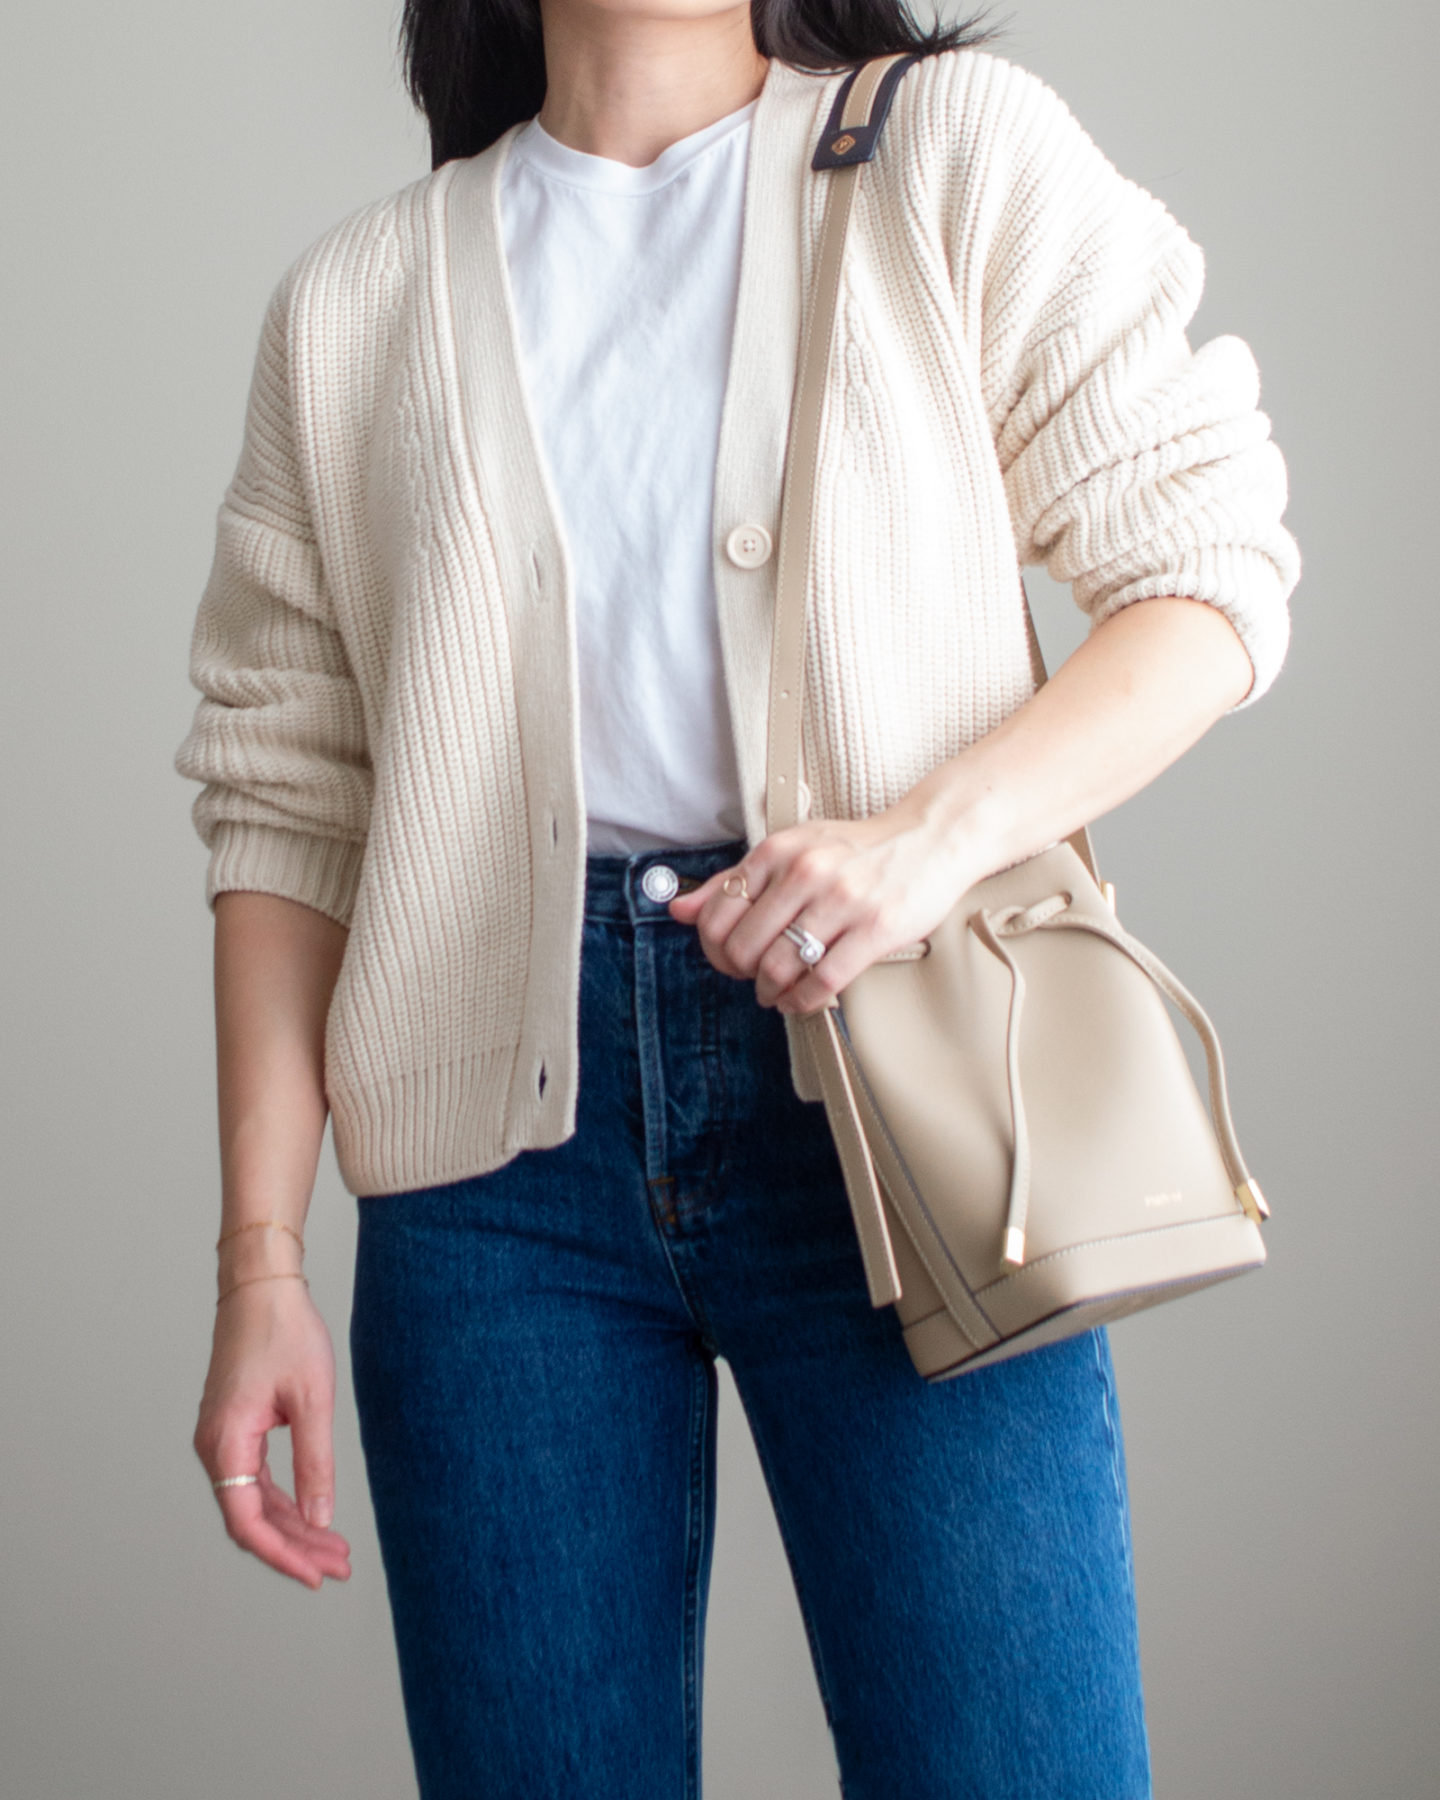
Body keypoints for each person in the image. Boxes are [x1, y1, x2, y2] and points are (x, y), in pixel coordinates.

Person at [174, 0, 1299, 1791]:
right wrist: (260, 1259)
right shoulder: (358, 304)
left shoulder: (949, 153)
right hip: (492, 1191)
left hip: (907, 1110)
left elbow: (1210, 575)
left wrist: (926, 839)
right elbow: (286, 801)